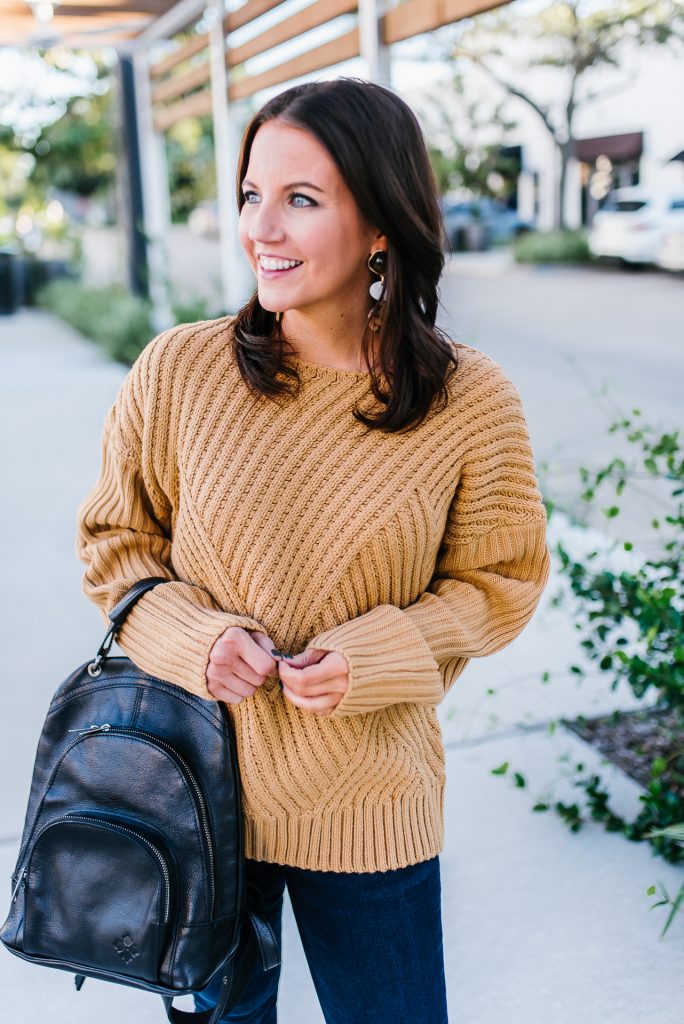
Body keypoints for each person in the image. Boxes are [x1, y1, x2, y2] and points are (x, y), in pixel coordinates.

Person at [75, 77, 551, 1024]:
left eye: (302, 199)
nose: (263, 228)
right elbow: (115, 544)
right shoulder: (180, 370)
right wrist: (191, 639)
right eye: (253, 194)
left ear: (381, 222)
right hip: (198, 797)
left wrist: (378, 654)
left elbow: (500, 583)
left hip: (371, 806)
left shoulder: (471, 401)